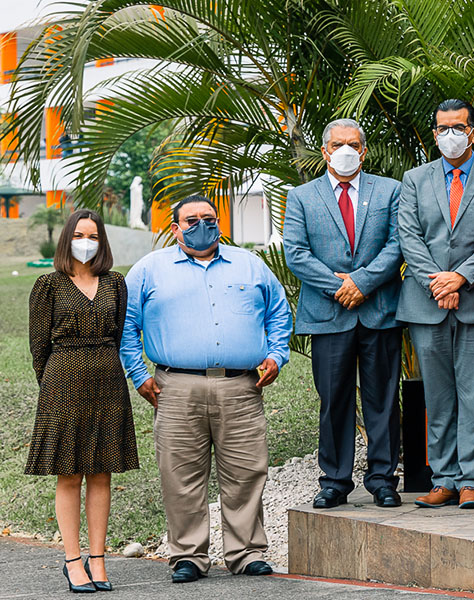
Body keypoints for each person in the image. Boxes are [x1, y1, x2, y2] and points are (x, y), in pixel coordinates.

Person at [121, 196, 292, 583]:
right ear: (174, 226)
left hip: (240, 386)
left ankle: (246, 552)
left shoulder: (249, 264)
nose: (202, 225)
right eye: (192, 219)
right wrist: (138, 375)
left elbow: (279, 313)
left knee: (246, 471)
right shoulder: (150, 269)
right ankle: (188, 555)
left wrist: (277, 355)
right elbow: (125, 326)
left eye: (209, 218)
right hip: (175, 386)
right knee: (180, 474)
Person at [283, 118, 404, 510]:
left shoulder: (390, 191)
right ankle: (334, 481)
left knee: (382, 398)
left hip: (378, 310)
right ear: (325, 151)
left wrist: (362, 282)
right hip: (327, 313)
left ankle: (383, 479)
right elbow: (295, 253)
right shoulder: (302, 197)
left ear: (364, 151)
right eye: (337, 144)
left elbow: (397, 243)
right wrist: (339, 286)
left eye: (353, 144)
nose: (345, 150)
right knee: (333, 398)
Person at [396, 99, 474, 510]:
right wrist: (438, 283)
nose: (450, 135)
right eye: (442, 128)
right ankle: (442, 479)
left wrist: (460, 277)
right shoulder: (414, 179)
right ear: (434, 133)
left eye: (457, 127)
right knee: (438, 398)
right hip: (427, 304)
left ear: (473, 132)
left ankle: (471, 481)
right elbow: (409, 235)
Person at [26, 209, 138, 593]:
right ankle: (73, 560)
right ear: (66, 239)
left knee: (102, 471)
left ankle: (98, 558)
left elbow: (120, 332)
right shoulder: (48, 284)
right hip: (62, 382)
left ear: (102, 240)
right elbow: (39, 347)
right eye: (78, 235)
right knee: (70, 473)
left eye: (92, 235)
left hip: (108, 380)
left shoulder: (116, 283)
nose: (85, 242)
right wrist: (55, 383)